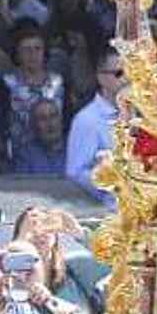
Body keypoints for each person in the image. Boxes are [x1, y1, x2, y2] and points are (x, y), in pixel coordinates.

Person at [0, 24, 65, 170]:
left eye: (38, 49)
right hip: (17, 160)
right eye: (26, 50)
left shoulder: (59, 82)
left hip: (56, 157)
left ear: (45, 52)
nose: (33, 55)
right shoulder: (6, 84)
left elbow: (67, 120)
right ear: (17, 54)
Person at [10, 208, 105, 314]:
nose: (38, 233)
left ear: (55, 237)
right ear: (17, 240)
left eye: (45, 226)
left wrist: (81, 234)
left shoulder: (73, 267)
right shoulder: (7, 281)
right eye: (31, 228)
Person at [65, 51, 126, 207]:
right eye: (119, 73)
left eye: (131, 72)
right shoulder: (86, 120)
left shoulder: (140, 115)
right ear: (101, 77)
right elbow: (76, 171)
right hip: (109, 211)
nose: (127, 79)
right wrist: (114, 185)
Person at [9, 101, 65, 176]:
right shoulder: (25, 155)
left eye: (53, 116)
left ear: (60, 119)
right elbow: (22, 186)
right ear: (33, 125)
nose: (50, 123)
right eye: (42, 118)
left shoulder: (76, 148)